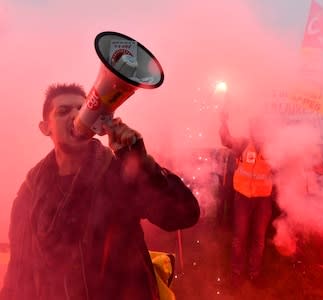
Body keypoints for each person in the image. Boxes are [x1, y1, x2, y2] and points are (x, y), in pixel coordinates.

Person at [0, 83, 200, 300]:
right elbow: (19, 270)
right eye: (63, 111)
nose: (76, 116)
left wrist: (139, 162)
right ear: (45, 127)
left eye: (82, 109)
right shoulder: (31, 191)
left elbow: (183, 213)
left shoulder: (116, 172)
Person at [219, 111, 274, 288]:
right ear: (251, 129)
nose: (257, 131)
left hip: (263, 200)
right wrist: (223, 120)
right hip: (243, 198)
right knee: (239, 238)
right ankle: (236, 275)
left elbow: (286, 161)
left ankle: (254, 274)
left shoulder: (274, 147)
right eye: (254, 127)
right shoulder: (242, 143)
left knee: (259, 239)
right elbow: (226, 140)